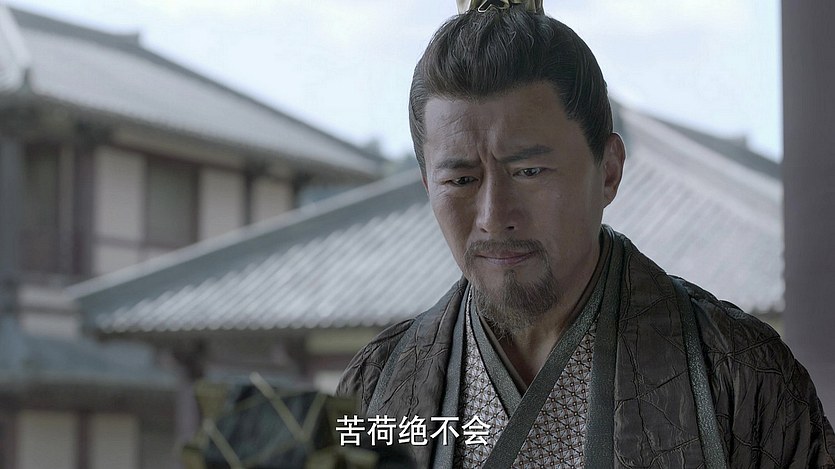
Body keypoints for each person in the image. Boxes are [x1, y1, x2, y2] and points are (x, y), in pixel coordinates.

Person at [337, 1, 835, 467]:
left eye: (529, 171)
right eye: (461, 180)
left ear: (609, 170)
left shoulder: (738, 375)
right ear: (428, 186)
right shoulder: (378, 383)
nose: (493, 215)